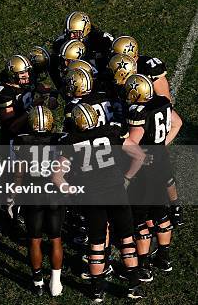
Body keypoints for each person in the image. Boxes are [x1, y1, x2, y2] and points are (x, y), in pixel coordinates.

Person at [53, 103, 147, 301]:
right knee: (126, 240)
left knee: (96, 242)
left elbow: (56, 177)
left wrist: (73, 192)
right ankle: (133, 286)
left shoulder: (70, 141)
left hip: (91, 196)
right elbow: (138, 156)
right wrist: (127, 178)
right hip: (115, 191)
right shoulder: (110, 131)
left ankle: (96, 290)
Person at [112, 37, 183, 227]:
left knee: (158, 174)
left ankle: (173, 206)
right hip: (135, 119)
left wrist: (159, 142)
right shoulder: (119, 73)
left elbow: (165, 104)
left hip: (146, 120)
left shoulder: (149, 69)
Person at [124, 74, 183, 278]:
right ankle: (164, 257)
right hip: (161, 161)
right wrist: (161, 145)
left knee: (140, 218)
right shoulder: (163, 102)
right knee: (160, 212)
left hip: (145, 169)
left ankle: (144, 265)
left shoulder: (138, 111)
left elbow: (133, 143)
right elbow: (178, 123)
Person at [11, 106, 64, 297]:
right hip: (54, 194)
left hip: (32, 193)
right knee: (56, 239)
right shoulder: (60, 140)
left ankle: (38, 281)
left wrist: (13, 195)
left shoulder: (21, 141)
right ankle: (55, 283)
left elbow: (18, 173)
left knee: (35, 239)